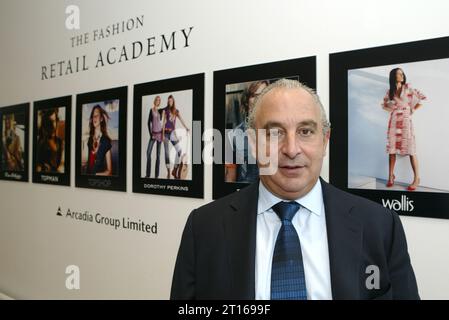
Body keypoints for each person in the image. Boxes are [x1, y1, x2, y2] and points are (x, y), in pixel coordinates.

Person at [171, 79, 419, 300]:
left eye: (305, 131)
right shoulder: (203, 228)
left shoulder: (381, 226)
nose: (291, 149)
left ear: (325, 140)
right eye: (275, 132)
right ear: (253, 143)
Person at [382, 68, 426, 191]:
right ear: (393, 76)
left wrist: (412, 109)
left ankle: (417, 178)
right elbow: (384, 105)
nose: (401, 75)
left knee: (411, 149)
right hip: (394, 121)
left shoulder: (408, 88)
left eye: (402, 74)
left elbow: (422, 98)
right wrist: (393, 109)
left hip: (406, 121)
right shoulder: (390, 91)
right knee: (392, 149)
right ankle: (390, 176)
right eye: (398, 74)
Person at [225, 80, 268, 183]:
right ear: (247, 100)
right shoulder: (233, 135)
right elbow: (230, 178)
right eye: (255, 95)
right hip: (245, 194)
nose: (259, 99)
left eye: (264, 94)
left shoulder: (278, 132)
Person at [162, 95, 190, 179]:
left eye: (171, 101)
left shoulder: (176, 111)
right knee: (166, 152)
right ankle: (168, 171)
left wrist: (186, 127)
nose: (170, 102)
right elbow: (163, 122)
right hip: (166, 133)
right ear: (168, 101)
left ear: (173, 101)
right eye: (169, 101)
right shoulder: (165, 110)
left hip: (172, 133)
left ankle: (174, 170)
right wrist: (163, 134)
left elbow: (181, 119)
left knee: (179, 151)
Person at [85, 104, 112, 176]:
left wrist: (95, 175)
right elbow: (88, 164)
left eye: (97, 115)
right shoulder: (90, 140)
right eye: (93, 116)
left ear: (101, 119)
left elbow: (109, 171)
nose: (94, 117)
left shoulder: (106, 141)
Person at [36, 108, 64, 173]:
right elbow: (38, 166)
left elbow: (62, 164)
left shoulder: (60, 141)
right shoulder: (41, 141)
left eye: (54, 121)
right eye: (49, 122)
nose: (53, 126)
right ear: (45, 124)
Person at [145, 95, 163, 178]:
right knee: (148, 153)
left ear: (159, 102)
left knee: (158, 155)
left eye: (159, 100)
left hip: (160, 134)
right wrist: (151, 134)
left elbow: (161, 123)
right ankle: (148, 175)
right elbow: (148, 123)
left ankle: (156, 176)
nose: (157, 101)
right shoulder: (151, 110)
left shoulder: (160, 111)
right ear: (154, 101)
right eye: (156, 99)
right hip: (153, 134)